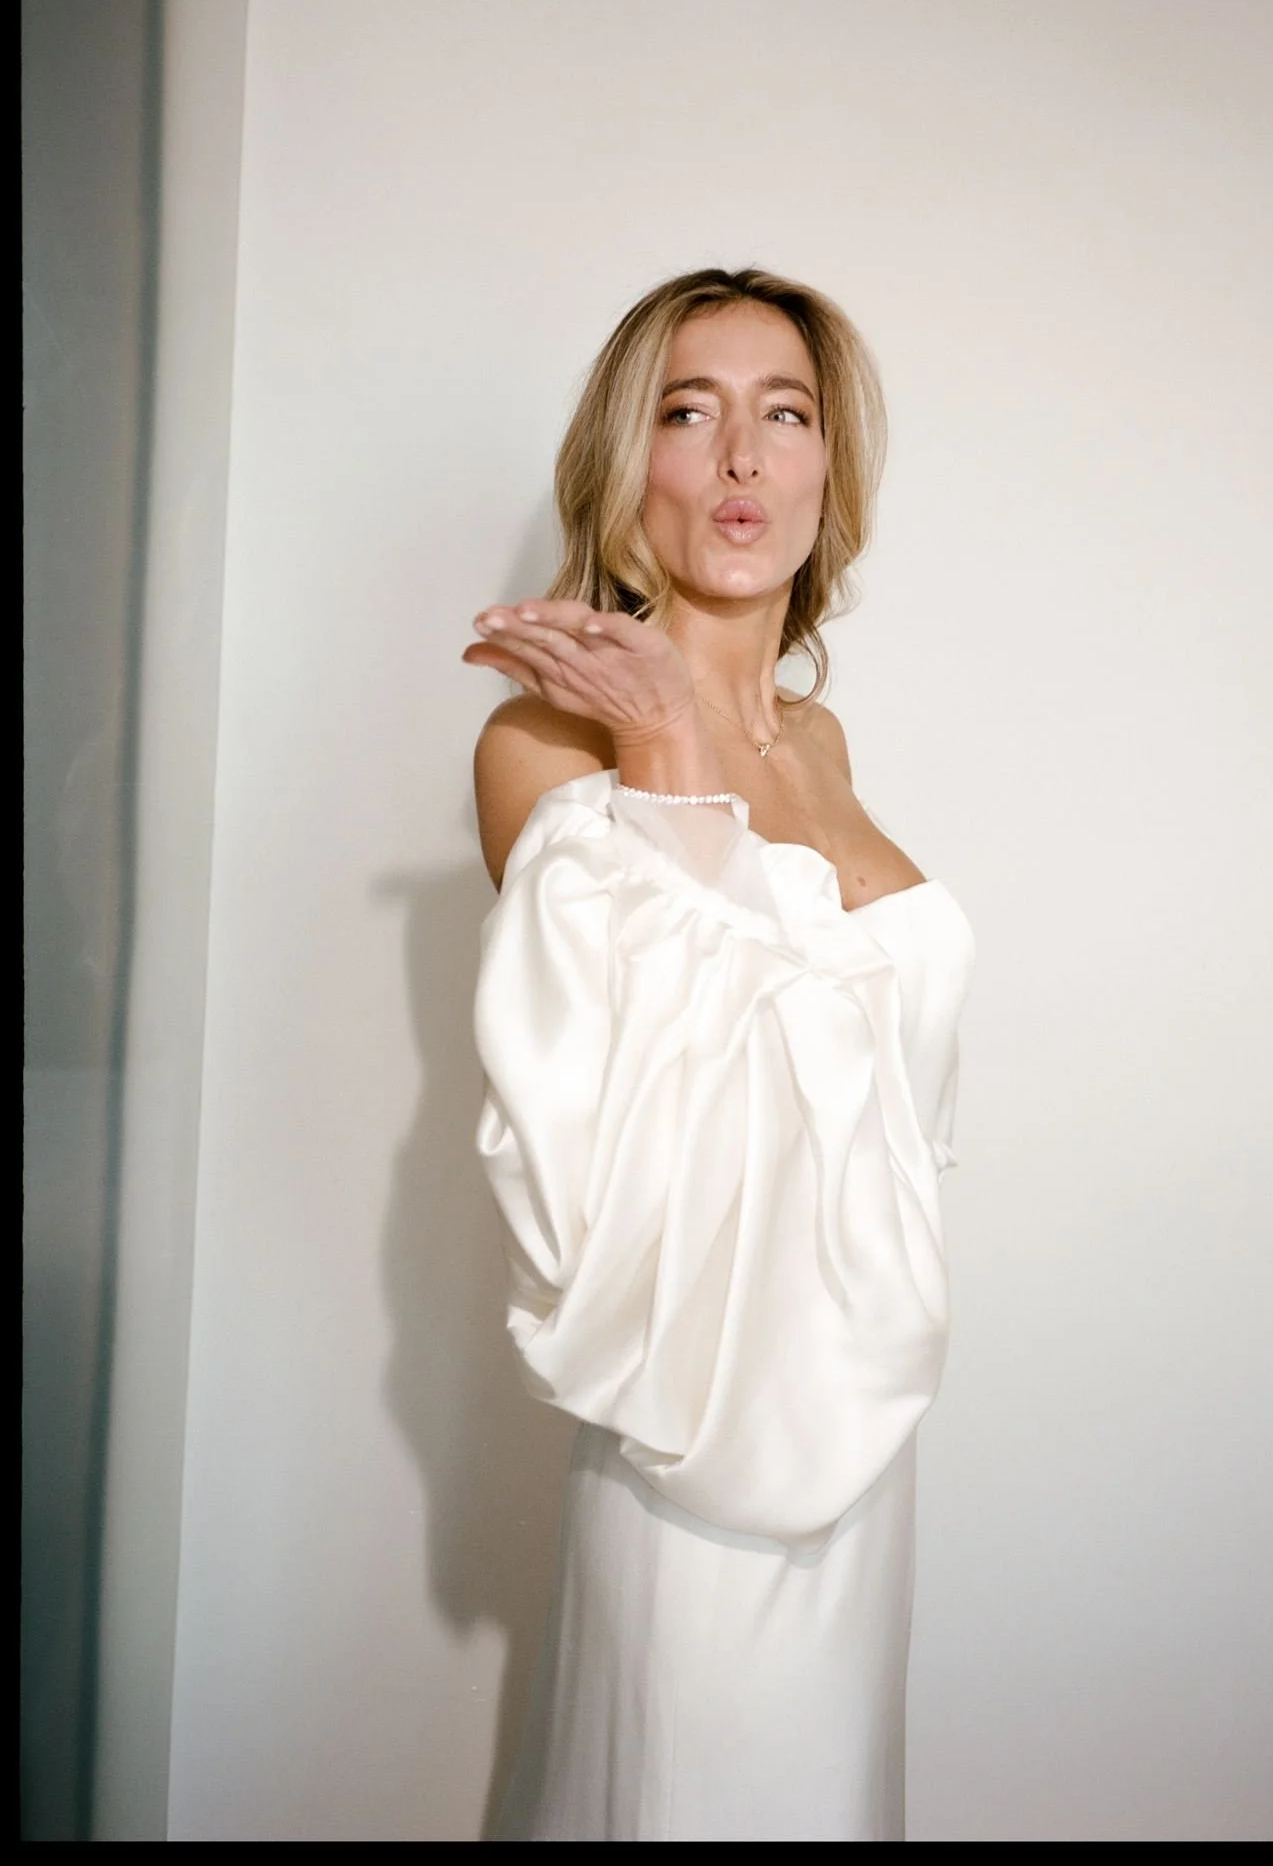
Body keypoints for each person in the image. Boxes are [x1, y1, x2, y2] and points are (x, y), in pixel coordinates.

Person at [463, 267, 974, 1842]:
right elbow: (633, 1149)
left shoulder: (820, 745)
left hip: (861, 1435)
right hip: (698, 1453)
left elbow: (858, 1096)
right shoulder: (541, 752)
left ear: (833, 471)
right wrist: (666, 744)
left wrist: (718, 741)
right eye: (692, 411)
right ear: (635, 466)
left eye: (786, 414)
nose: (743, 457)